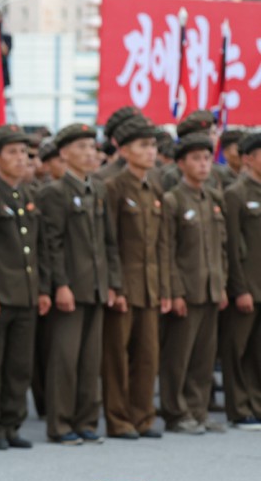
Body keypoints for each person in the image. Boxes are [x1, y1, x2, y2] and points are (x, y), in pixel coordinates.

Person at [37, 123, 122, 445]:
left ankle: (86, 421)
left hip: (97, 285)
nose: (90, 153)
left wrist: (113, 283)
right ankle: (60, 424)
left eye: (92, 147)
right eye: (82, 147)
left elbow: (108, 241)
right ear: (64, 153)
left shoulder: (98, 189)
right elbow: (51, 243)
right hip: (70, 286)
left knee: (90, 360)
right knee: (65, 359)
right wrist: (60, 285)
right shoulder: (53, 192)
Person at [0, 124, 51, 450]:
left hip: (26, 292)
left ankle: (12, 421)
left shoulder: (29, 195)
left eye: (25, 153)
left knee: (19, 363)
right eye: (13, 152)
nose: (21, 159)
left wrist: (42, 289)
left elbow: (38, 246)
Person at [102, 116, 170, 440]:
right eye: (143, 145)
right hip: (125, 284)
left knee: (147, 354)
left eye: (153, 145)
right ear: (125, 150)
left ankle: (143, 416)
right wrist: (115, 285)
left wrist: (166, 288)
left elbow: (162, 243)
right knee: (117, 355)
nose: (151, 151)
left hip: (151, 284)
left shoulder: (154, 185)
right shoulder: (114, 187)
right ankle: (119, 419)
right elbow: (109, 241)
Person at [160, 132, 227, 434]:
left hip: (211, 288)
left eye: (206, 158)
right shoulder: (173, 200)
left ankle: (198, 410)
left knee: (203, 356)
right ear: (181, 164)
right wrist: (174, 291)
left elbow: (221, 247)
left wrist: (222, 285)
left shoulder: (212, 198)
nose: (203, 165)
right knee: (179, 357)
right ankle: (176, 412)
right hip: (186, 290)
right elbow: (167, 250)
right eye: (196, 159)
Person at [220, 131, 261, 430]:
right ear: (247, 159)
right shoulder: (236, 194)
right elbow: (232, 246)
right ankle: (239, 408)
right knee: (237, 349)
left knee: (258, 352)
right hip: (246, 286)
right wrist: (239, 288)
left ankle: (255, 404)